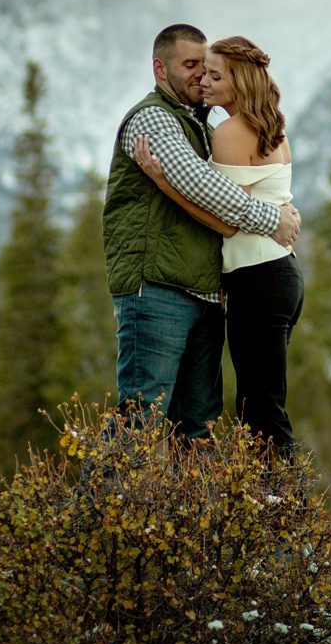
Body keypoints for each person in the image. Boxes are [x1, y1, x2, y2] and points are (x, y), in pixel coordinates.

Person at [102, 24, 302, 441]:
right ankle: (100, 505)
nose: (200, 76)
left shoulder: (206, 128)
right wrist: (273, 219)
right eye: (191, 65)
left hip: (205, 291)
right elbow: (204, 187)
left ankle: (200, 506)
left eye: (209, 69)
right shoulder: (154, 119)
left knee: (200, 424)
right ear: (160, 69)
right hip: (156, 288)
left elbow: (229, 196)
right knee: (142, 413)